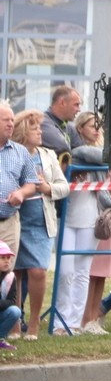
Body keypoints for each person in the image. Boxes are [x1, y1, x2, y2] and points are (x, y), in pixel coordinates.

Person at [10, 109, 67, 340]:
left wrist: (47, 188)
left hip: (41, 224)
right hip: (15, 221)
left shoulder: (48, 156)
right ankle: (14, 323)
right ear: (23, 132)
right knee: (13, 274)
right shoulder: (11, 153)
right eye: (35, 129)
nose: (40, 132)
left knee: (38, 271)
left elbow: (64, 187)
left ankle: (33, 325)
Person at [76, 112, 111, 333]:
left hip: (107, 214)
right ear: (81, 127)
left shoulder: (105, 152)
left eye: (98, 126)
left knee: (102, 273)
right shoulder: (84, 152)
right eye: (92, 125)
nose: (96, 130)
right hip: (96, 214)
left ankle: (94, 318)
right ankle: (85, 318)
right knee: (91, 271)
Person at [0, 100, 38, 262]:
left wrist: (21, 193)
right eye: (5, 120)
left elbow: (31, 183)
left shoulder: (20, 152)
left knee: (6, 272)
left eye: (12, 120)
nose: (10, 124)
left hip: (9, 222)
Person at [39, 85, 82, 161]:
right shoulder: (43, 122)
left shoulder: (69, 127)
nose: (79, 110)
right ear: (62, 103)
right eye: (76, 105)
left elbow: (81, 149)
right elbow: (61, 147)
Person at [0, 240, 19, 351]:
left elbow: (12, 300)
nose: (7, 261)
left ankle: (0, 338)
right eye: (3, 258)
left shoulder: (10, 277)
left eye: (8, 258)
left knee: (15, 311)